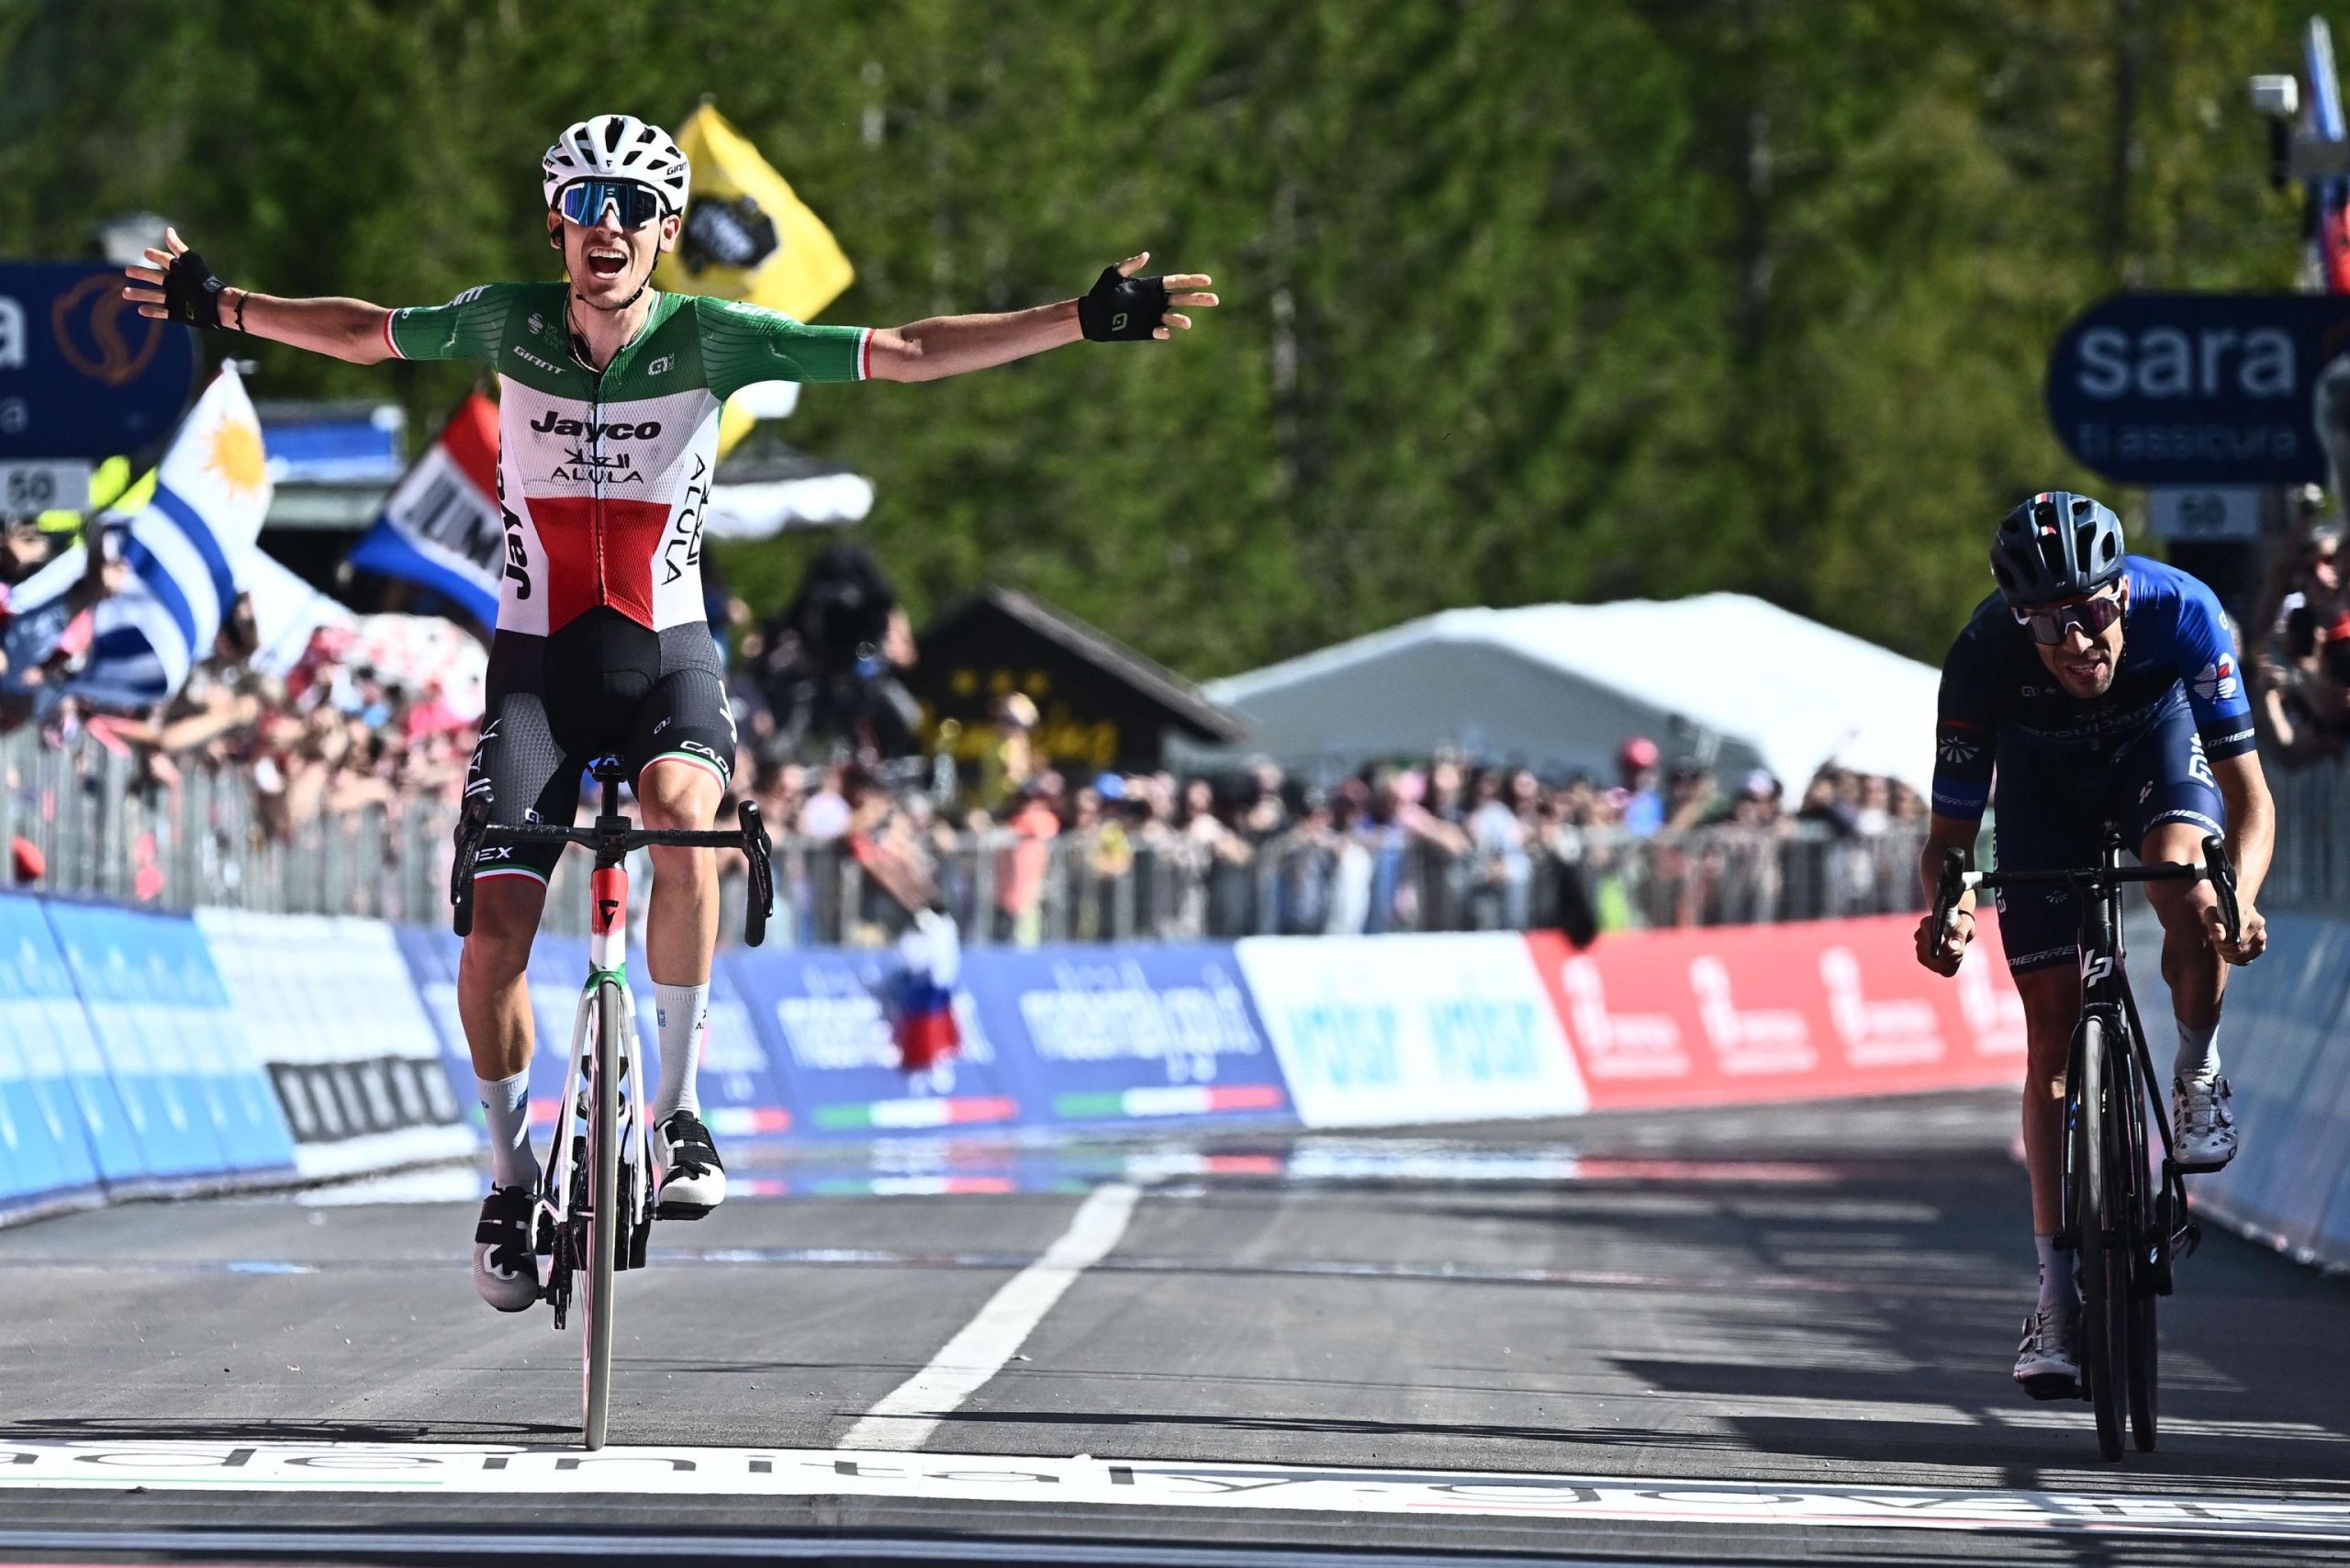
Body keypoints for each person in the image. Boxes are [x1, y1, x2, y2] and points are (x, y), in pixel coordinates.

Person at [124, 112, 1220, 1312]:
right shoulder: (508, 323)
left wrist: (1076, 317)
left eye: (635, 207)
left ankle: (683, 1111)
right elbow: (358, 334)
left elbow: (907, 351)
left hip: (668, 660)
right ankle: (507, 1176)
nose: (609, 226)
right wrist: (222, 307)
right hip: (538, 669)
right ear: (557, 225)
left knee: (684, 817)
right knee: (493, 928)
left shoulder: (717, 337)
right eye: (586, 203)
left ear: (669, 232)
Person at [1911, 492, 2272, 1399]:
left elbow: (2253, 804)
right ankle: (2057, 1297)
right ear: (2014, 617)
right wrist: (1947, 908)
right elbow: (1949, 841)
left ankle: (2195, 1070)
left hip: (2157, 758)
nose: (2074, 640)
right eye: (2044, 620)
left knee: (2185, 884)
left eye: (2092, 611)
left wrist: (2243, 901)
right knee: (2050, 1039)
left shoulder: (2182, 610)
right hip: (2040, 795)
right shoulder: (1981, 653)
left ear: (2122, 591)